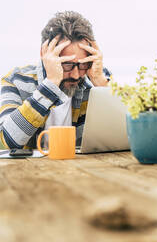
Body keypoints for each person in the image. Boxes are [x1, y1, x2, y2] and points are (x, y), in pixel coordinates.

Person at [0, 11, 111, 149]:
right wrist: (51, 83)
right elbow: (9, 140)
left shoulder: (97, 77)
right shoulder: (15, 80)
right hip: (31, 170)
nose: (76, 75)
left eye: (82, 64)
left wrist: (100, 82)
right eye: (67, 64)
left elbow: (125, 133)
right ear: (44, 54)